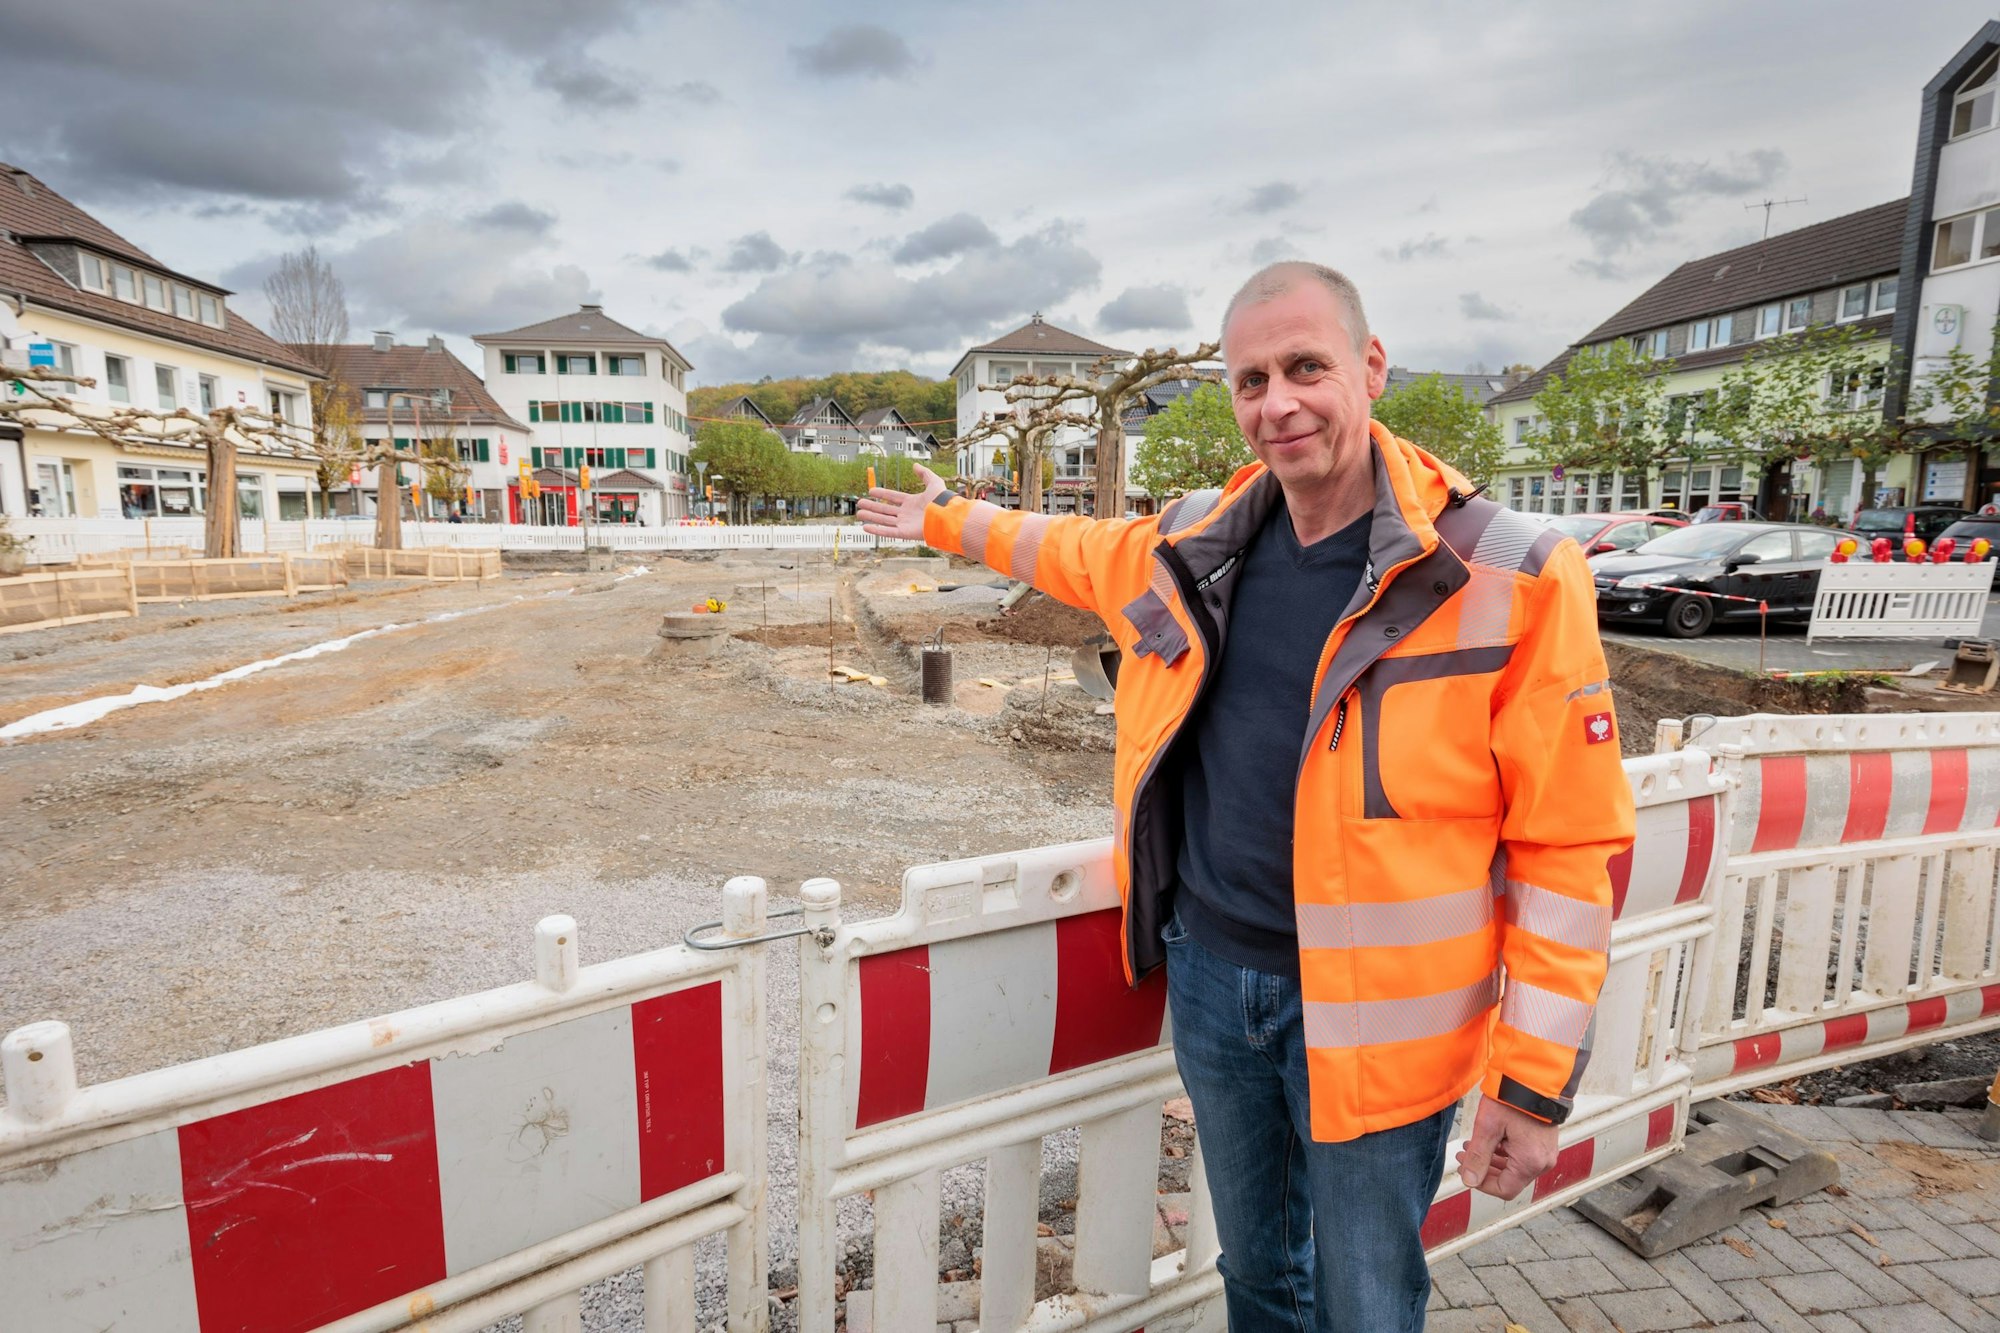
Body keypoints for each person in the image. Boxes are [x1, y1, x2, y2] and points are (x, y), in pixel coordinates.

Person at [859, 262, 1632, 1332]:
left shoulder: (1512, 573)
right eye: (1251, 380)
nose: (1279, 404)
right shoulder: (1196, 542)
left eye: (1306, 367)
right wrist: (946, 518)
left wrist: (1532, 1083)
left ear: (1371, 366)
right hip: (1216, 981)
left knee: (1365, 1300)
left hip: (1385, 1013)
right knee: (1258, 1272)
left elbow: (1567, 845)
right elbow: (1066, 549)